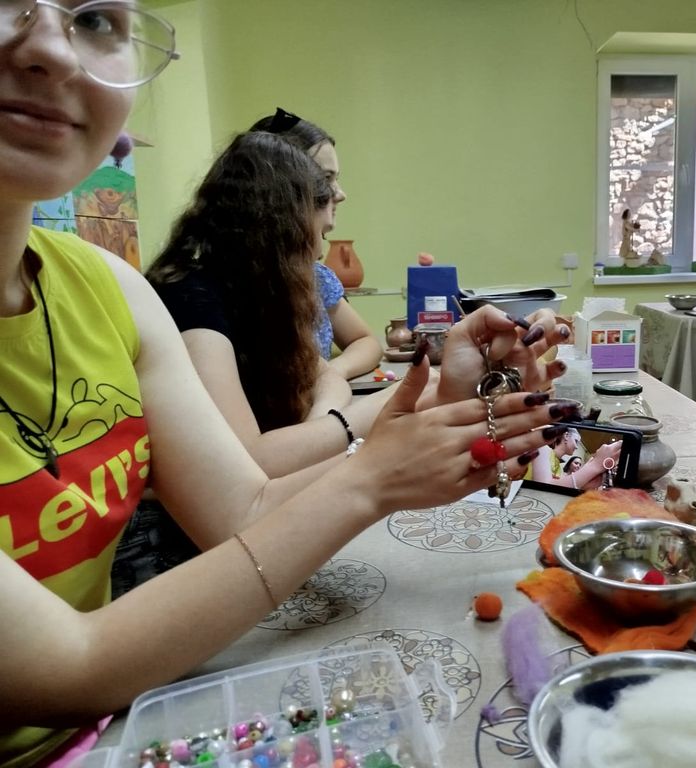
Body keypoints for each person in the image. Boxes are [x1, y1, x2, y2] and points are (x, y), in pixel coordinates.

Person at [0, 6, 570, 766]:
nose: (51, 46)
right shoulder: (186, 293)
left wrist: (434, 411)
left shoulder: (109, 287)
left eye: (95, 16)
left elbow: (243, 509)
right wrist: (369, 474)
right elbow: (68, 668)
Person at [147, 131, 387, 478]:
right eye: (317, 236)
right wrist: (373, 410)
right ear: (282, 232)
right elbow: (247, 462)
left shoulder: (257, 291)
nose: (318, 254)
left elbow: (327, 379)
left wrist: (317, 431)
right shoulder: (192, 298)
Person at [249, 108, 382, 380]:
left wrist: (331, 374)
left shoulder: (316, 276)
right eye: (325, 179)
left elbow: (365, 341)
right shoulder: (231, 285)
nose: (340, 194)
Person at [530, 428, 622, 490]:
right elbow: (542, 489)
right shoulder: (542, 448)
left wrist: (583, 485)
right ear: (566, 436)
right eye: (576, 441)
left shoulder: (558, 465)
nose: (577, 447)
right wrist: (596, 464)